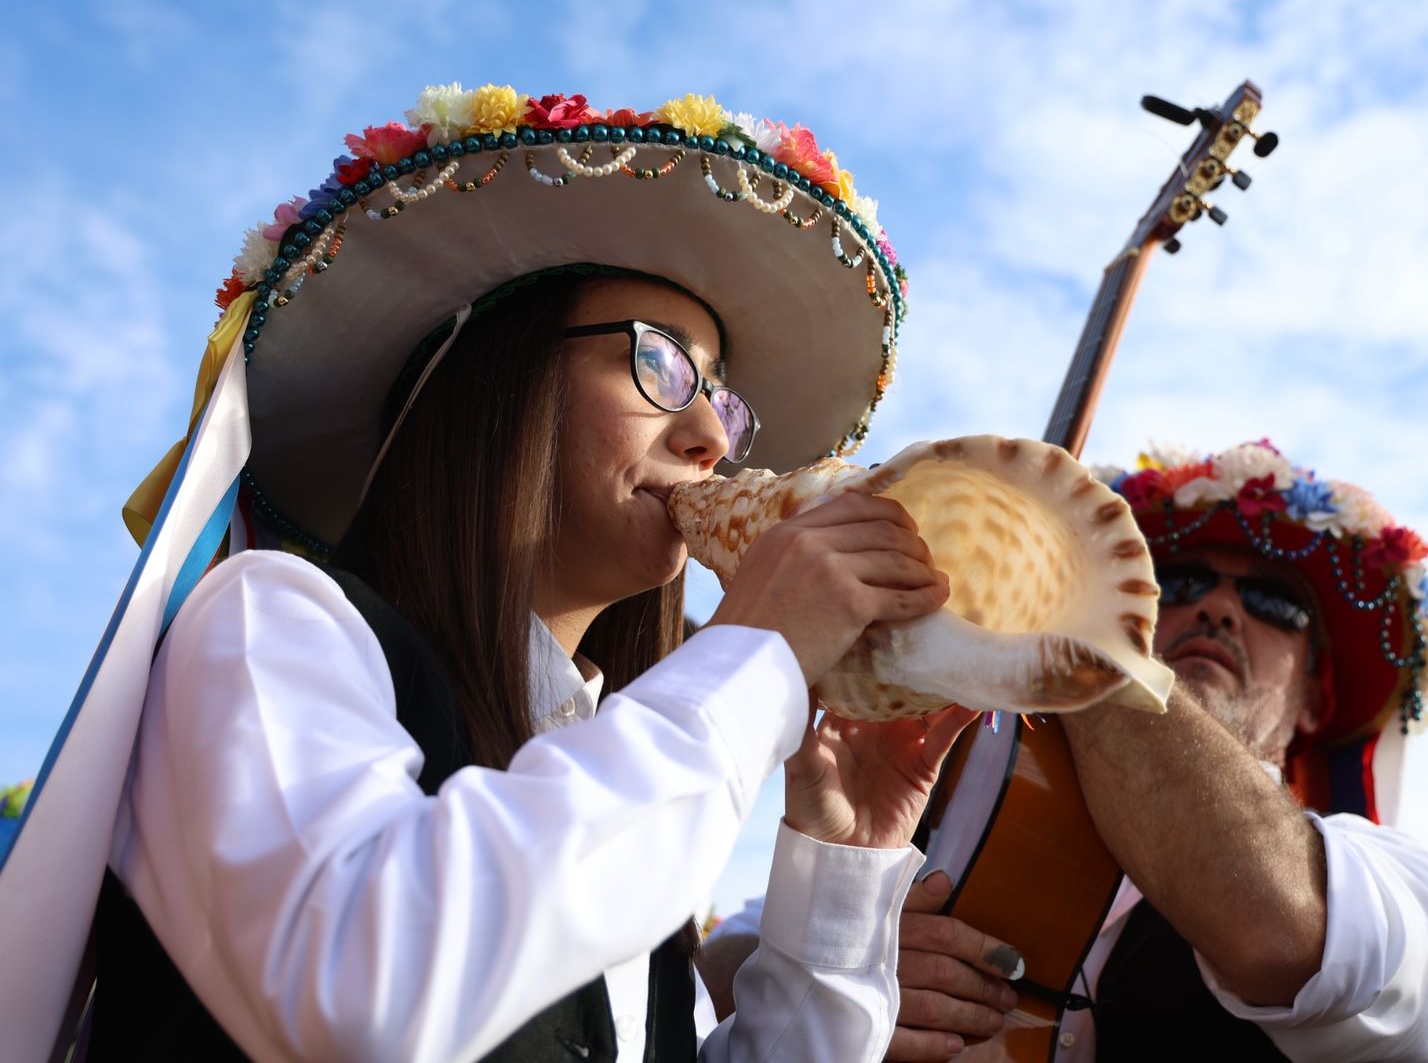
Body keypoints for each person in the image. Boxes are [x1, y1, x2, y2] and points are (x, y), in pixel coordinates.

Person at [0, 83, 977, 1062]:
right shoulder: (270, 620)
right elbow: (364, 991)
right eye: (661, 365)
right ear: (495, 382)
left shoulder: (617, 784)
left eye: (722, 401)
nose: (705, 437)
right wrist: (752, 656)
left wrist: (839, 863)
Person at [701, 439, 1428, 1061]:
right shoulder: (943, 781)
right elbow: (712, 970)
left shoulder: (1395, 881)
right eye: (1184, 580)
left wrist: (1069, 619)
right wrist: (838, 962)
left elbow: (1283, 937)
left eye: (1273, 603)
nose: (1219, 608)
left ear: (1314, 702)